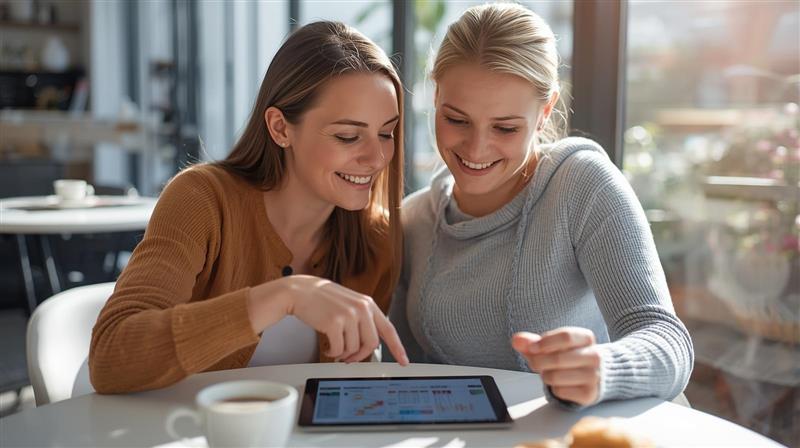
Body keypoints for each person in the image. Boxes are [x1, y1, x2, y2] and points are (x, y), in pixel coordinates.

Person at [389, 3, 693, 408]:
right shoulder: (415, 219)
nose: (476, 148)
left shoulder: (580, 186)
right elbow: (408, 371)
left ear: (545, 110)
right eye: (457, 120)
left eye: (505, 127)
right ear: (435, 94)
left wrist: (603, 367)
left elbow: (668, 341)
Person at [90, 21, 409, 394]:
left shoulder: (376, 239)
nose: (376, 157)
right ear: (280, 128)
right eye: (348, 136)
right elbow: (112, 357)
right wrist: (286, 295)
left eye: (386, 133)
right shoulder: (202, 200)